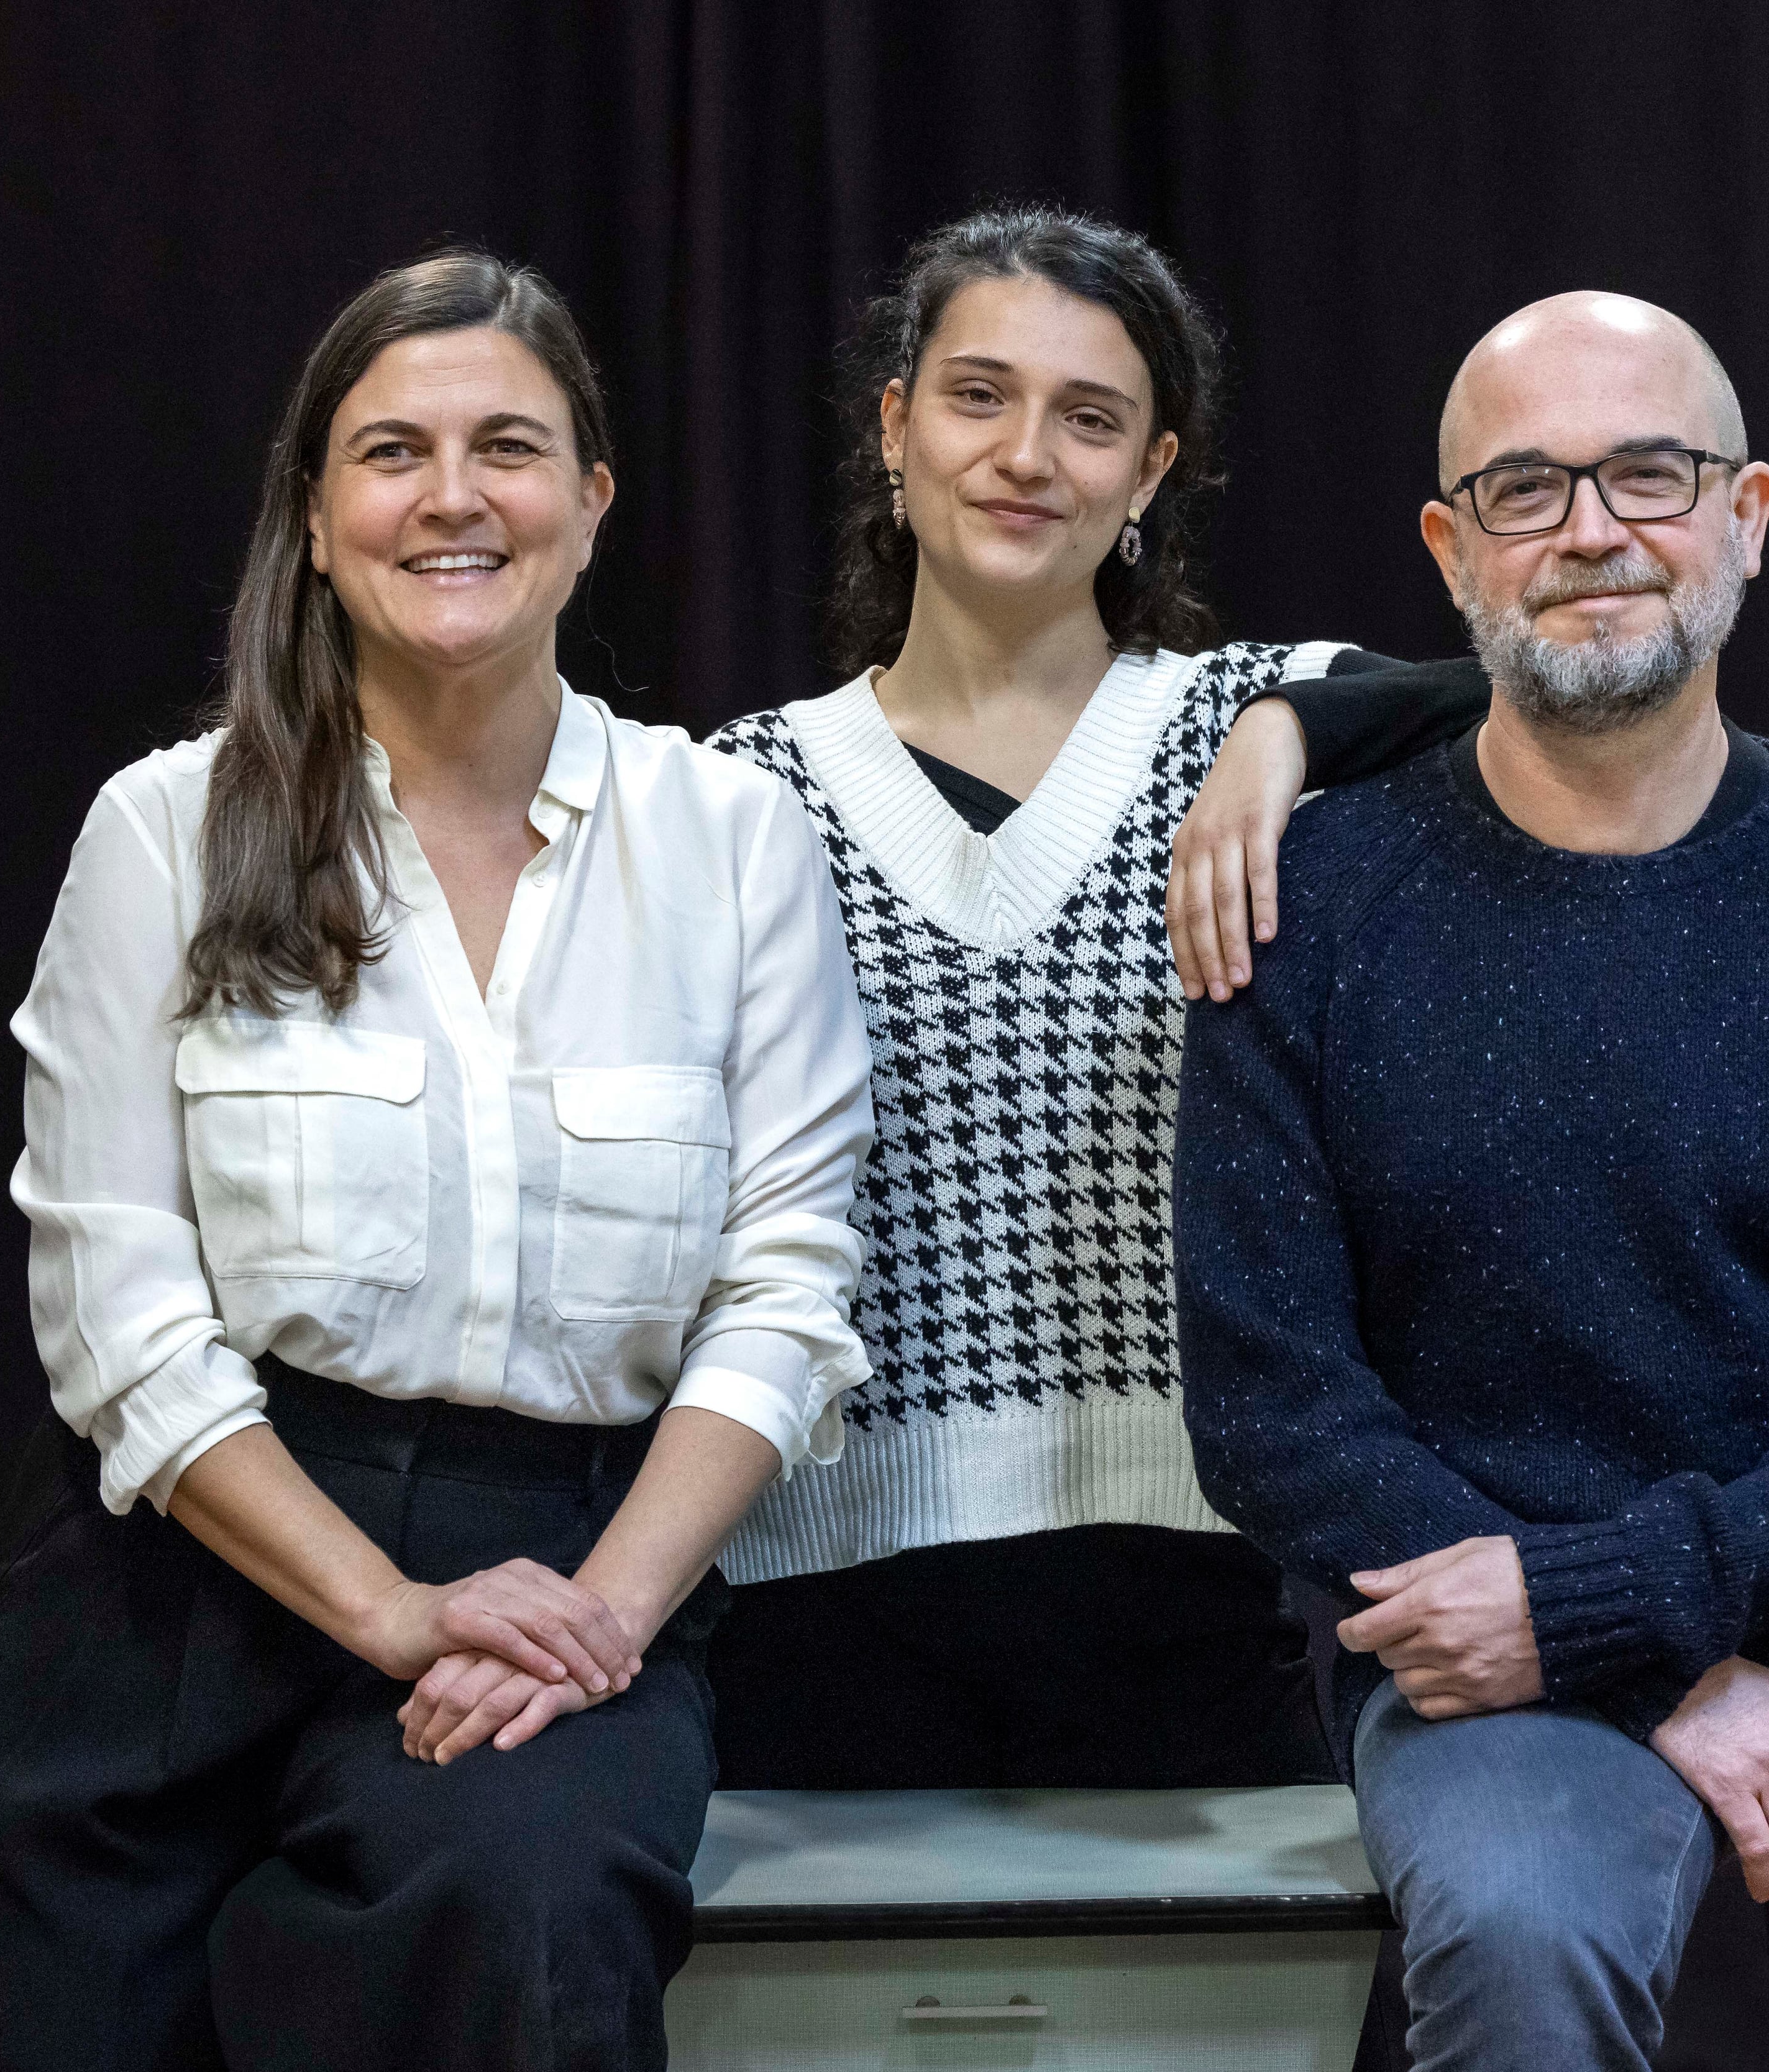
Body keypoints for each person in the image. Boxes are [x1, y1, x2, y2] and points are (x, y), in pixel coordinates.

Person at [0, 250, 873, 2071]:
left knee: (525, 1921)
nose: (453, 496)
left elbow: (784, 1291)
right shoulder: (165, 831)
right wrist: (384, 1607)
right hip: (182, 1586)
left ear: (591, 504)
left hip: (567, 1569)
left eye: (507, 447)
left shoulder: (735, 841)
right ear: (314, 518)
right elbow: (120, 1312)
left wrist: (597, 1622)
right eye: (392, 452)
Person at [1174, 291, 1769, 2070]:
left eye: (1649, 474)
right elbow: (1275, 1409)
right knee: (1522, 1939)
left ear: (1746, 514)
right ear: (1452, 553)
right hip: (1471, 1624)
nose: (1591, 531)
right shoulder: (1305, 909)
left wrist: (1628, 1613)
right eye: (1525, 489)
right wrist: (1629, 1655)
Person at [699, 207, 1480, 1789]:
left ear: (1150, 472)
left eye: (1090, 418)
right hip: (815, 1590)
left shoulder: (1242, 722)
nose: (1026, 456)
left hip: (1192, 1592)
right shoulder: (740, 789)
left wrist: (1286, 728)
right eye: (978, 396)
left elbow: (1534, 697)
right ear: (893, 427)